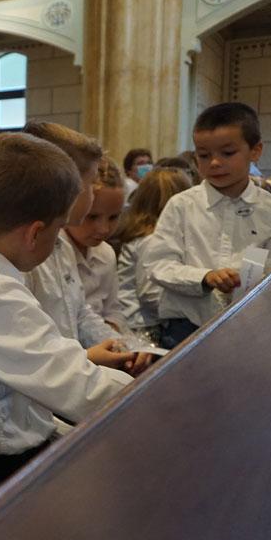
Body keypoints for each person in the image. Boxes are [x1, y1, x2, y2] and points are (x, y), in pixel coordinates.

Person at [0, 133, 137, 506]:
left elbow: (47, 363)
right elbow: (79, 387)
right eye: (58, 229)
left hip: (11, 453)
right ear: (36, 233)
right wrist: (160, 394)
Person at [145, 102, 271, 349]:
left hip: (250, 326)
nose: (214, 162)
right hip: (185, 327)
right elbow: (158, 264)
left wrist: (241, 277)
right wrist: (204, 277)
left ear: (255, 151)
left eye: (227, 153)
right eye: (204, 155)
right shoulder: (181, 205)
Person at [22, 121, 142, 367]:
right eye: (88, 185)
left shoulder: (60, 246)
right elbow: (29, 350)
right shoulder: (24, 255)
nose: (103, 228)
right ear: (65, 187)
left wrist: (122, 346)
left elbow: (79, 313)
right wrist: (86, 359)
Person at [113, 168, 192, 336]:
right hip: (143, 327)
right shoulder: (152, 239)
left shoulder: (151, 235)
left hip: (147, 322)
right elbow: (151, 294)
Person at [63, 156, 128, 330]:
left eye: (113, 217)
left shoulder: (106, 253)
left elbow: (113, 310)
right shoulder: (51, 255)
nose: (104, 229)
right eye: (92, 217)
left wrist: (112, 331)